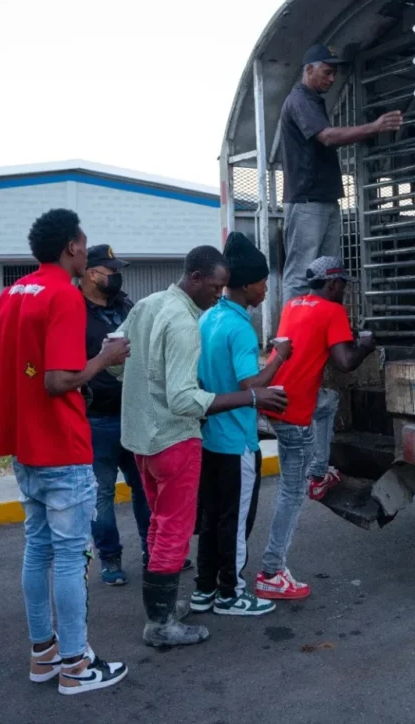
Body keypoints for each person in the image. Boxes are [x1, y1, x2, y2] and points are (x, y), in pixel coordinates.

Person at [0, 209, 129, 696]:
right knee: (72, 556)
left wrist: (23, 371)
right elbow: (59, 381)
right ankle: (76, 664)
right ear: (72, 246)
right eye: (84, 241)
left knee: (37, 550)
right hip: (62, 443)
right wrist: (104, 358)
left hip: (25, 447)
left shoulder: (14, 292)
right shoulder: (64, 295)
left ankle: (45, 654)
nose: (86, 249)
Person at [121, 245, 287, 648]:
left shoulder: (150, 305)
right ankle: (166, 621)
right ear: (195, 277)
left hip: (143, 438)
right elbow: (183, 399)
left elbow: (116, 359)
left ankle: (173, 605)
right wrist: (252, 397)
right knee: (176, 530)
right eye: (214, 286)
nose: (218, 293)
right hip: (176, 439)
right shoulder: (185, 322)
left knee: (166, 524)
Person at [254, 256, 375, 602]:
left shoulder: (293, 305)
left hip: (273, 396)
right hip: (292, 414)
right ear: (333, 284)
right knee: (291, 495)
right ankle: (271, 572)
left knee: (329, 401)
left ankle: (319, 473)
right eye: (344, 285)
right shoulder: (331, 311)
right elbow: (345, 362)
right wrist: (367, 345)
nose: (345, 290)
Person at [191, 233, 291, 618]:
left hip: (208, 438)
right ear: (248, 284)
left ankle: (204, 589)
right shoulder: (240, 328)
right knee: (234, 522)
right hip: (236, 442)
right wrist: (279, 357)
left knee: (211, 518)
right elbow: (251, 386)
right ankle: (230, 594)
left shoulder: (208, 318)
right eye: (263, 282)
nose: (266, 289)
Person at [280, 43, 404, 300]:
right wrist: (374, 127)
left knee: (329, 273)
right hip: (306, 200)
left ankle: (324, 324)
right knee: (300, 275)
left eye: (334, 73)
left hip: (324, 199)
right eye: (327, 72)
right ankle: (291, 327)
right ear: (309, 69)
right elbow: (327, 137)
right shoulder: (299, 99)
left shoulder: (313, 101)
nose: (332, 79)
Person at [80, 243, 149, 587]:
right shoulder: (73, 311)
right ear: (92, 274)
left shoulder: (125, 305)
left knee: (145, 487)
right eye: (112, 272)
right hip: (97, 419)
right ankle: (110, 558)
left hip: (133, 412)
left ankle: (155, 551)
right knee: (102, 495)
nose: (117, 277)